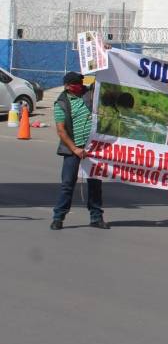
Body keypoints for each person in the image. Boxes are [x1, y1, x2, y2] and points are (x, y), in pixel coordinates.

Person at [51, 72, 106, 230]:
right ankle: (58, 217)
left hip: (92, 148)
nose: (80, 85)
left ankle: (96, 217)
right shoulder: (61, 103)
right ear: (68, 86)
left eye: (81, 83)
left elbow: (102, 79)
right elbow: (61, 131)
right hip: (72, 149)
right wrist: (75, 149)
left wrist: (106, 55)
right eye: (76, 84)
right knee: (67, 184)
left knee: (95, 183)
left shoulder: (89, 93)